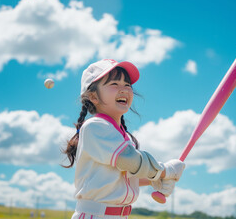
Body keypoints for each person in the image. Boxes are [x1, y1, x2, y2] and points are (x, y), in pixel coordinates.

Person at [62, 59, 185, 219]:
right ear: (93, 96)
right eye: (114, 83)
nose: (124, 89)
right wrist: (163, 171)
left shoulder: (123, 135)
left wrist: (154, 180)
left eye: (127, 85)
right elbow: (130, 161)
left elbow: (123, 175)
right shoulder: (95, 126)